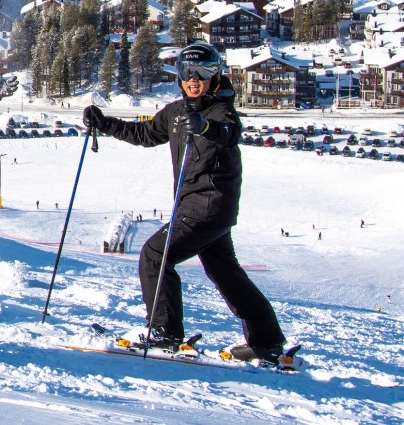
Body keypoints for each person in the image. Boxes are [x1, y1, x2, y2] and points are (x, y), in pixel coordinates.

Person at [83, 41, 287, 365]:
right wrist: (104, 123)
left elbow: (229, 132)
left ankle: (164, 332)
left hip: (207, 206)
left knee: (155, 255)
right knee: (225, 272)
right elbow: (145, 133)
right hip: (205, 209)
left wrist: (205, 126)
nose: (194, 79)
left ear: (215, 75)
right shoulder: (177, 112)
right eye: (187, 72)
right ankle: (267, 340)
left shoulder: (220, 109)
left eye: (202, 71)